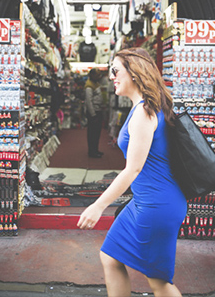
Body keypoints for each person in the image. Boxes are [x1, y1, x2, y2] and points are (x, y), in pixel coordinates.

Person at [77, 48, 187, 297]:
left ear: (134, 73)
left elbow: (133, 169)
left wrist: (98, 206)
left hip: (156, 205)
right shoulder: (145, 107)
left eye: (115, 71)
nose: (111, 76)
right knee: (110, 255)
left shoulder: (144, 112)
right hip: (146, 201)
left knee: (159, 282)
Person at [84, 67, 105, 158]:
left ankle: (95, 150)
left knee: (97, 133)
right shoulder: (89, 86)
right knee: (92, 133)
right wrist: (93, 115)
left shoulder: (95, 83)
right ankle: (92, 151)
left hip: (98, 111)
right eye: (97, 75)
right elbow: (89, 102)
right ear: (92, 75)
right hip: (94, 112)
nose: (99, 76)